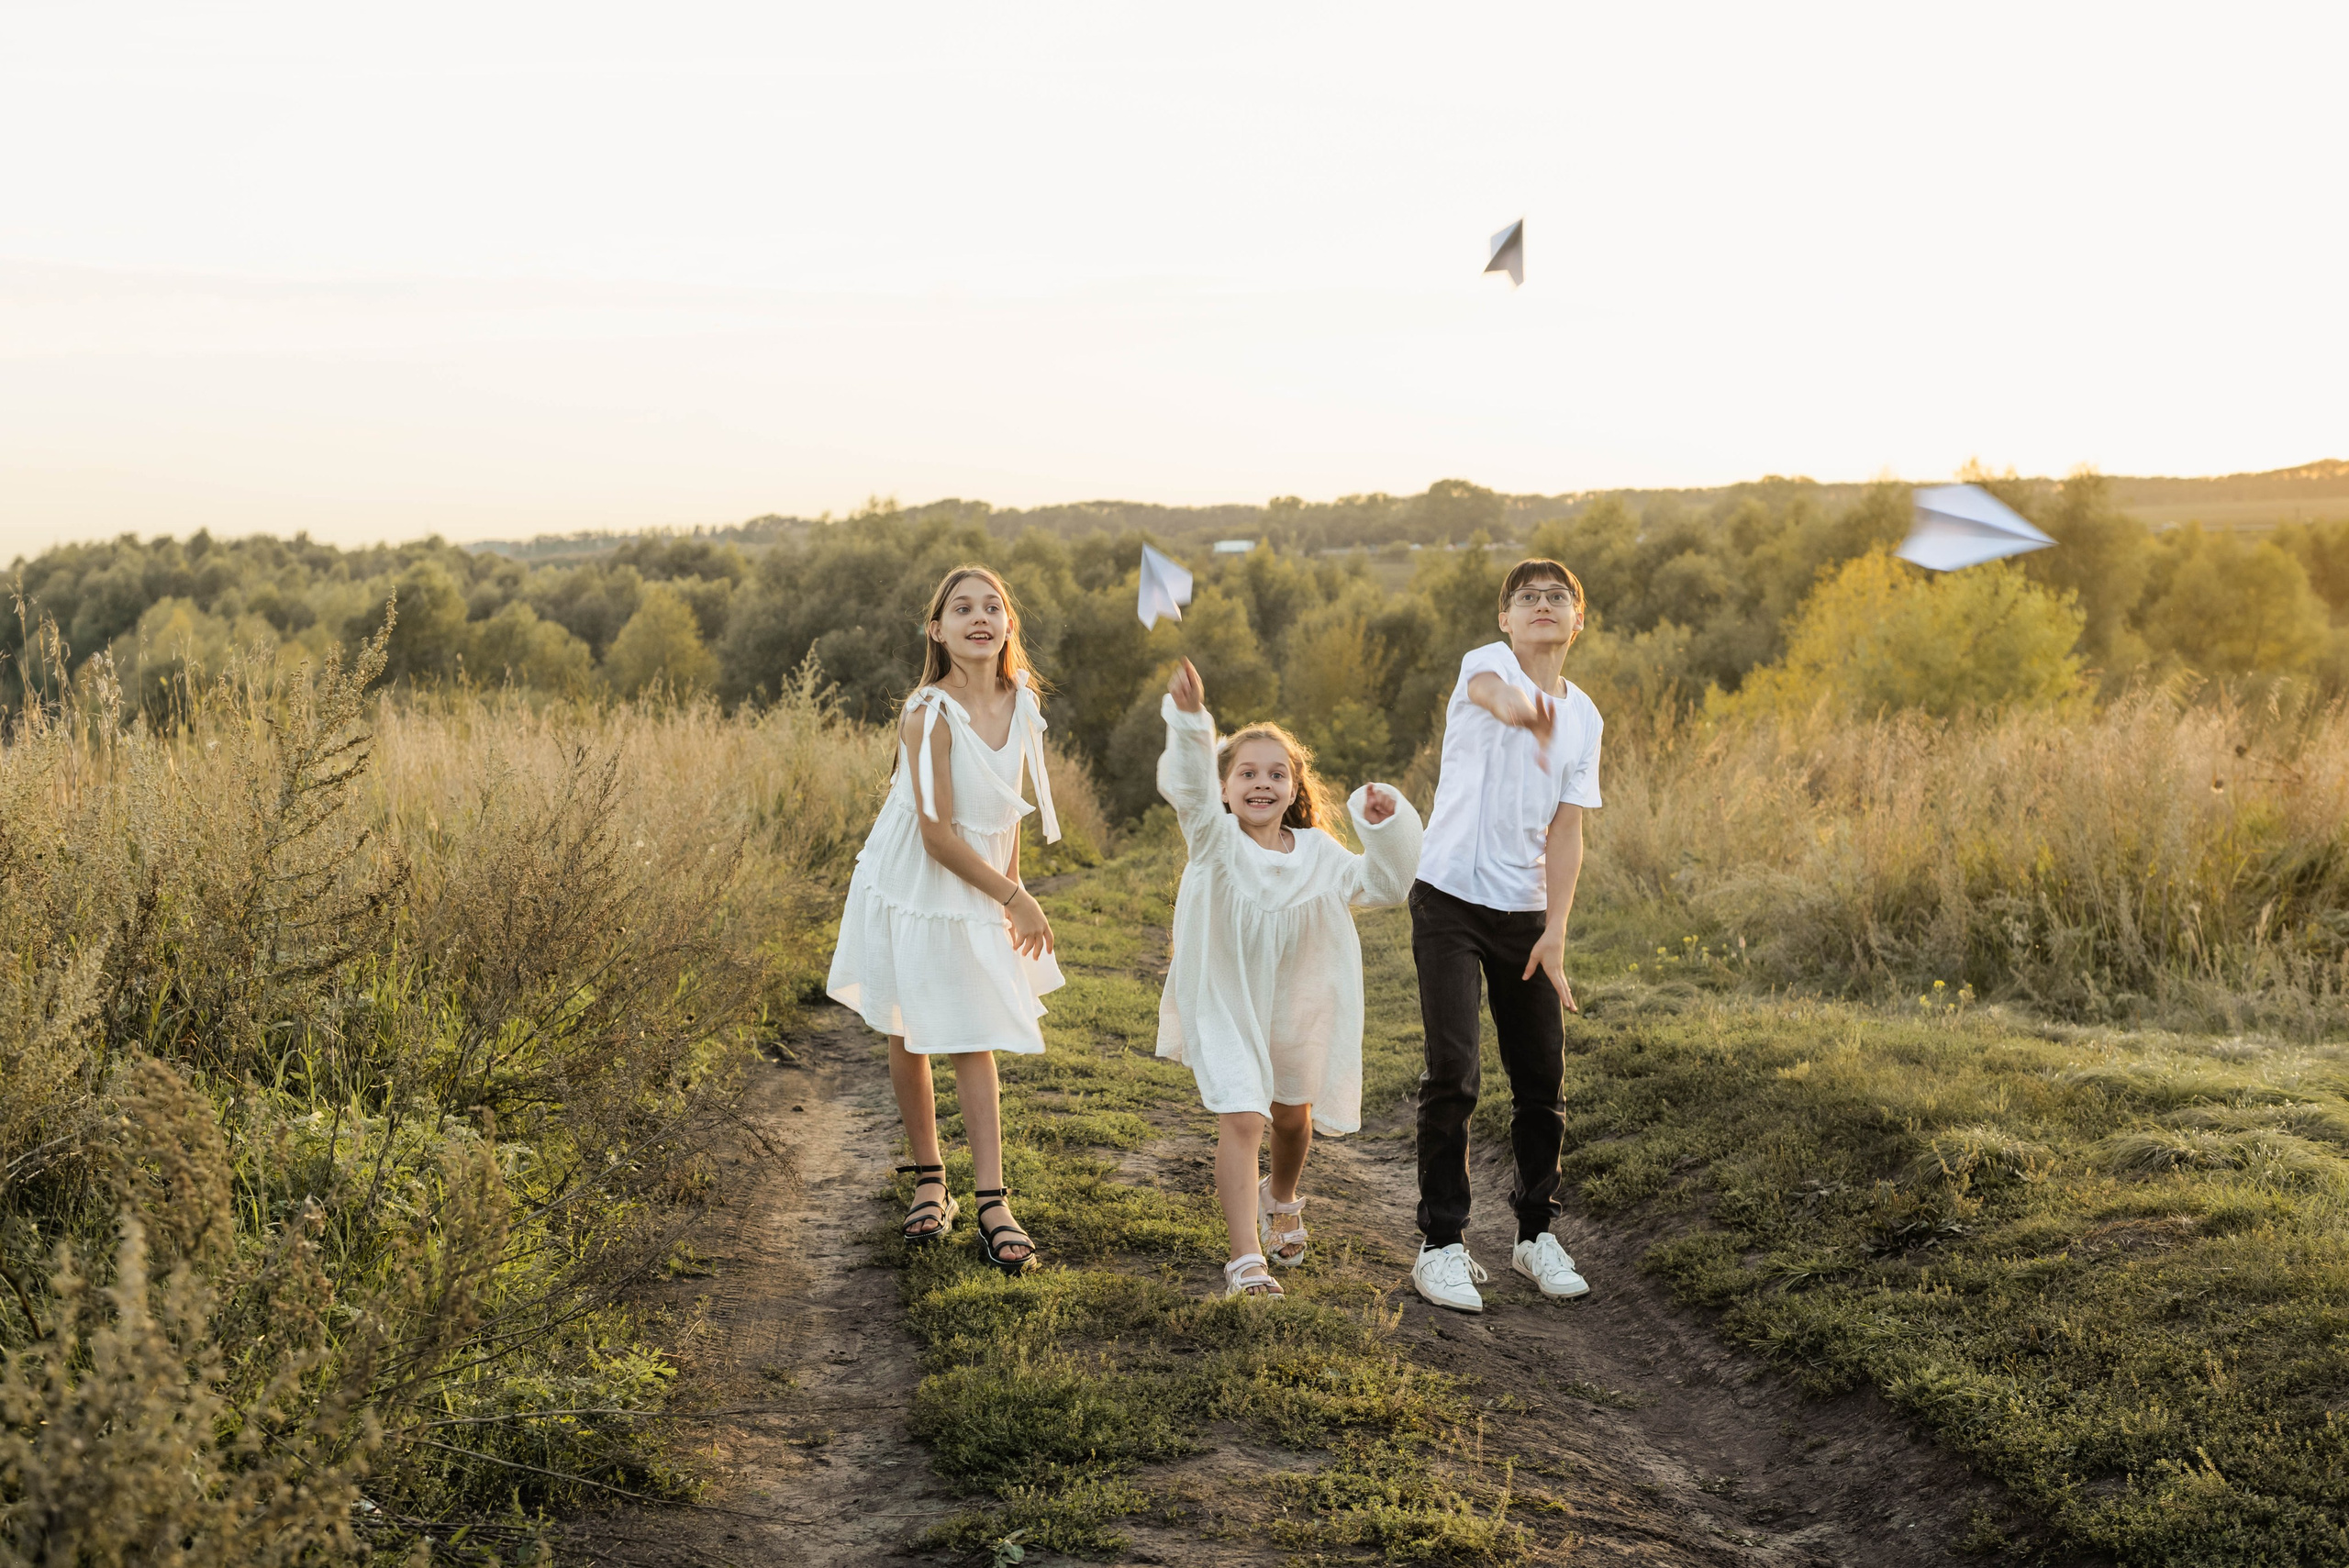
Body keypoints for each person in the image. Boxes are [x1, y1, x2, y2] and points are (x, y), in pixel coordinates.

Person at [1156, 657, 1423, 1298]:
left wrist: (1383, 824)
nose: (1261, 783)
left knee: (1292, 1118)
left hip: (1300, 999)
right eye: (1246, 772)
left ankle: (1281, 1197)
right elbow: (1188, 786)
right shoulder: (1214, 839)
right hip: (1226, 995)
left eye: (1277, 773)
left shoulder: (1320, 855)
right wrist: (1193, 722)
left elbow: (1387, 882)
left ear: (1295, 786)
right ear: (1225, 788)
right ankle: (1246, 1261)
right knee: (1244, 1114)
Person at [827, 565, 1064, 1276]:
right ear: (938, 630)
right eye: (961, 608)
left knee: (976, 1027)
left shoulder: (1021, 700)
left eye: (993, 606)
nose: (979, 617)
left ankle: (993, 1199)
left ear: (1008, 626)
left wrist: (1010, 886)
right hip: (917, 874)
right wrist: (1014, 897)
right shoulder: (928, 713)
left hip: (980, 870)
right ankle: (931, 1175)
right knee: (914, 1022)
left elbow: (1007, 807)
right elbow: (935, 834)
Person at [1408, 559, 1601, 1312]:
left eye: (1558, 597)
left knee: (1542, 1081)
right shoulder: (1485, 667)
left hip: (1524, 913)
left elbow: (1568, 830)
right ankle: (1443, 1244)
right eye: (1528, 598)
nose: (1543, 605)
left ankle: (1533, 1234)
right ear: (1507, 620)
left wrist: (1555, 931)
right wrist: (1522, 709)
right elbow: (1492, 696)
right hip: (1450, 897)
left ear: (1576, 621)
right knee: (1453, 1072)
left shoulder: (1584, 717)